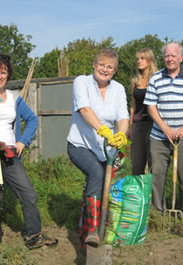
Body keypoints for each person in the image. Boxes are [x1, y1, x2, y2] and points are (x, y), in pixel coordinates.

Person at [0, 54, 58, 250]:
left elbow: (32, 120)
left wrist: (22, 142)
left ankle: (33, 234)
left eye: (3, 72)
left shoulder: (14, 97)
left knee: (28, 193)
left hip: (10, 154)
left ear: (8, 74)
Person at [66, 49, 129, 247]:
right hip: (80, 145)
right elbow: (84, 109)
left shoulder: (118, 89)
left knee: (103, 186)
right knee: (96, 174)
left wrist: (121, 135)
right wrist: (103, 129)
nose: (105, 69)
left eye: (110, 67)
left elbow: (123, 117)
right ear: (94, 65)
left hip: (106, 150)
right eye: (101, 64)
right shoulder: (81, 82)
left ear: (115, 70)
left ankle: (86, 225)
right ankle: (92, 230)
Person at [144, 42, 183, 222]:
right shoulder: (156, 78)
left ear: (181, 57)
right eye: (167, 56)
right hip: (159, 136)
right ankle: (157, 210)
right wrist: (165, 128)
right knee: (158, 174)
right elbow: (151, 106)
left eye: (173, 55)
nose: (169, 59)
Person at [129, 48, 158, 175]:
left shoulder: (157, 79)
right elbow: (133, 105)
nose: (139, 61)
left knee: (154, 165)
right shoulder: (135, 80)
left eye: (142, 58)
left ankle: (155, 194)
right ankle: (138, 193)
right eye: (137, 59)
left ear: (150, 60)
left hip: (154, 125)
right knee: (137, 165)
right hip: (138, 126)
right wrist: (130, 127)